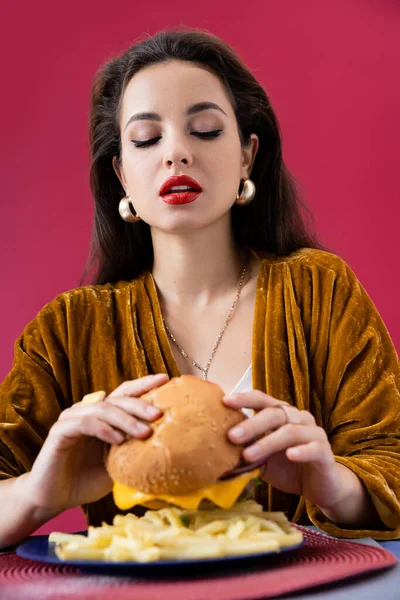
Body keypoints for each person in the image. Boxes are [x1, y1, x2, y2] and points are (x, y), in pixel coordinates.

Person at [1, 28, 399, 550]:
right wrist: (37, 494)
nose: (177, 153)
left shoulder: (320, 291)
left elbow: (390, 459)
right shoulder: (68, 331)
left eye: (206, 130)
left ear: (247, 157)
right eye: (147, 139)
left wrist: (332, 483)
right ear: (122, 175)